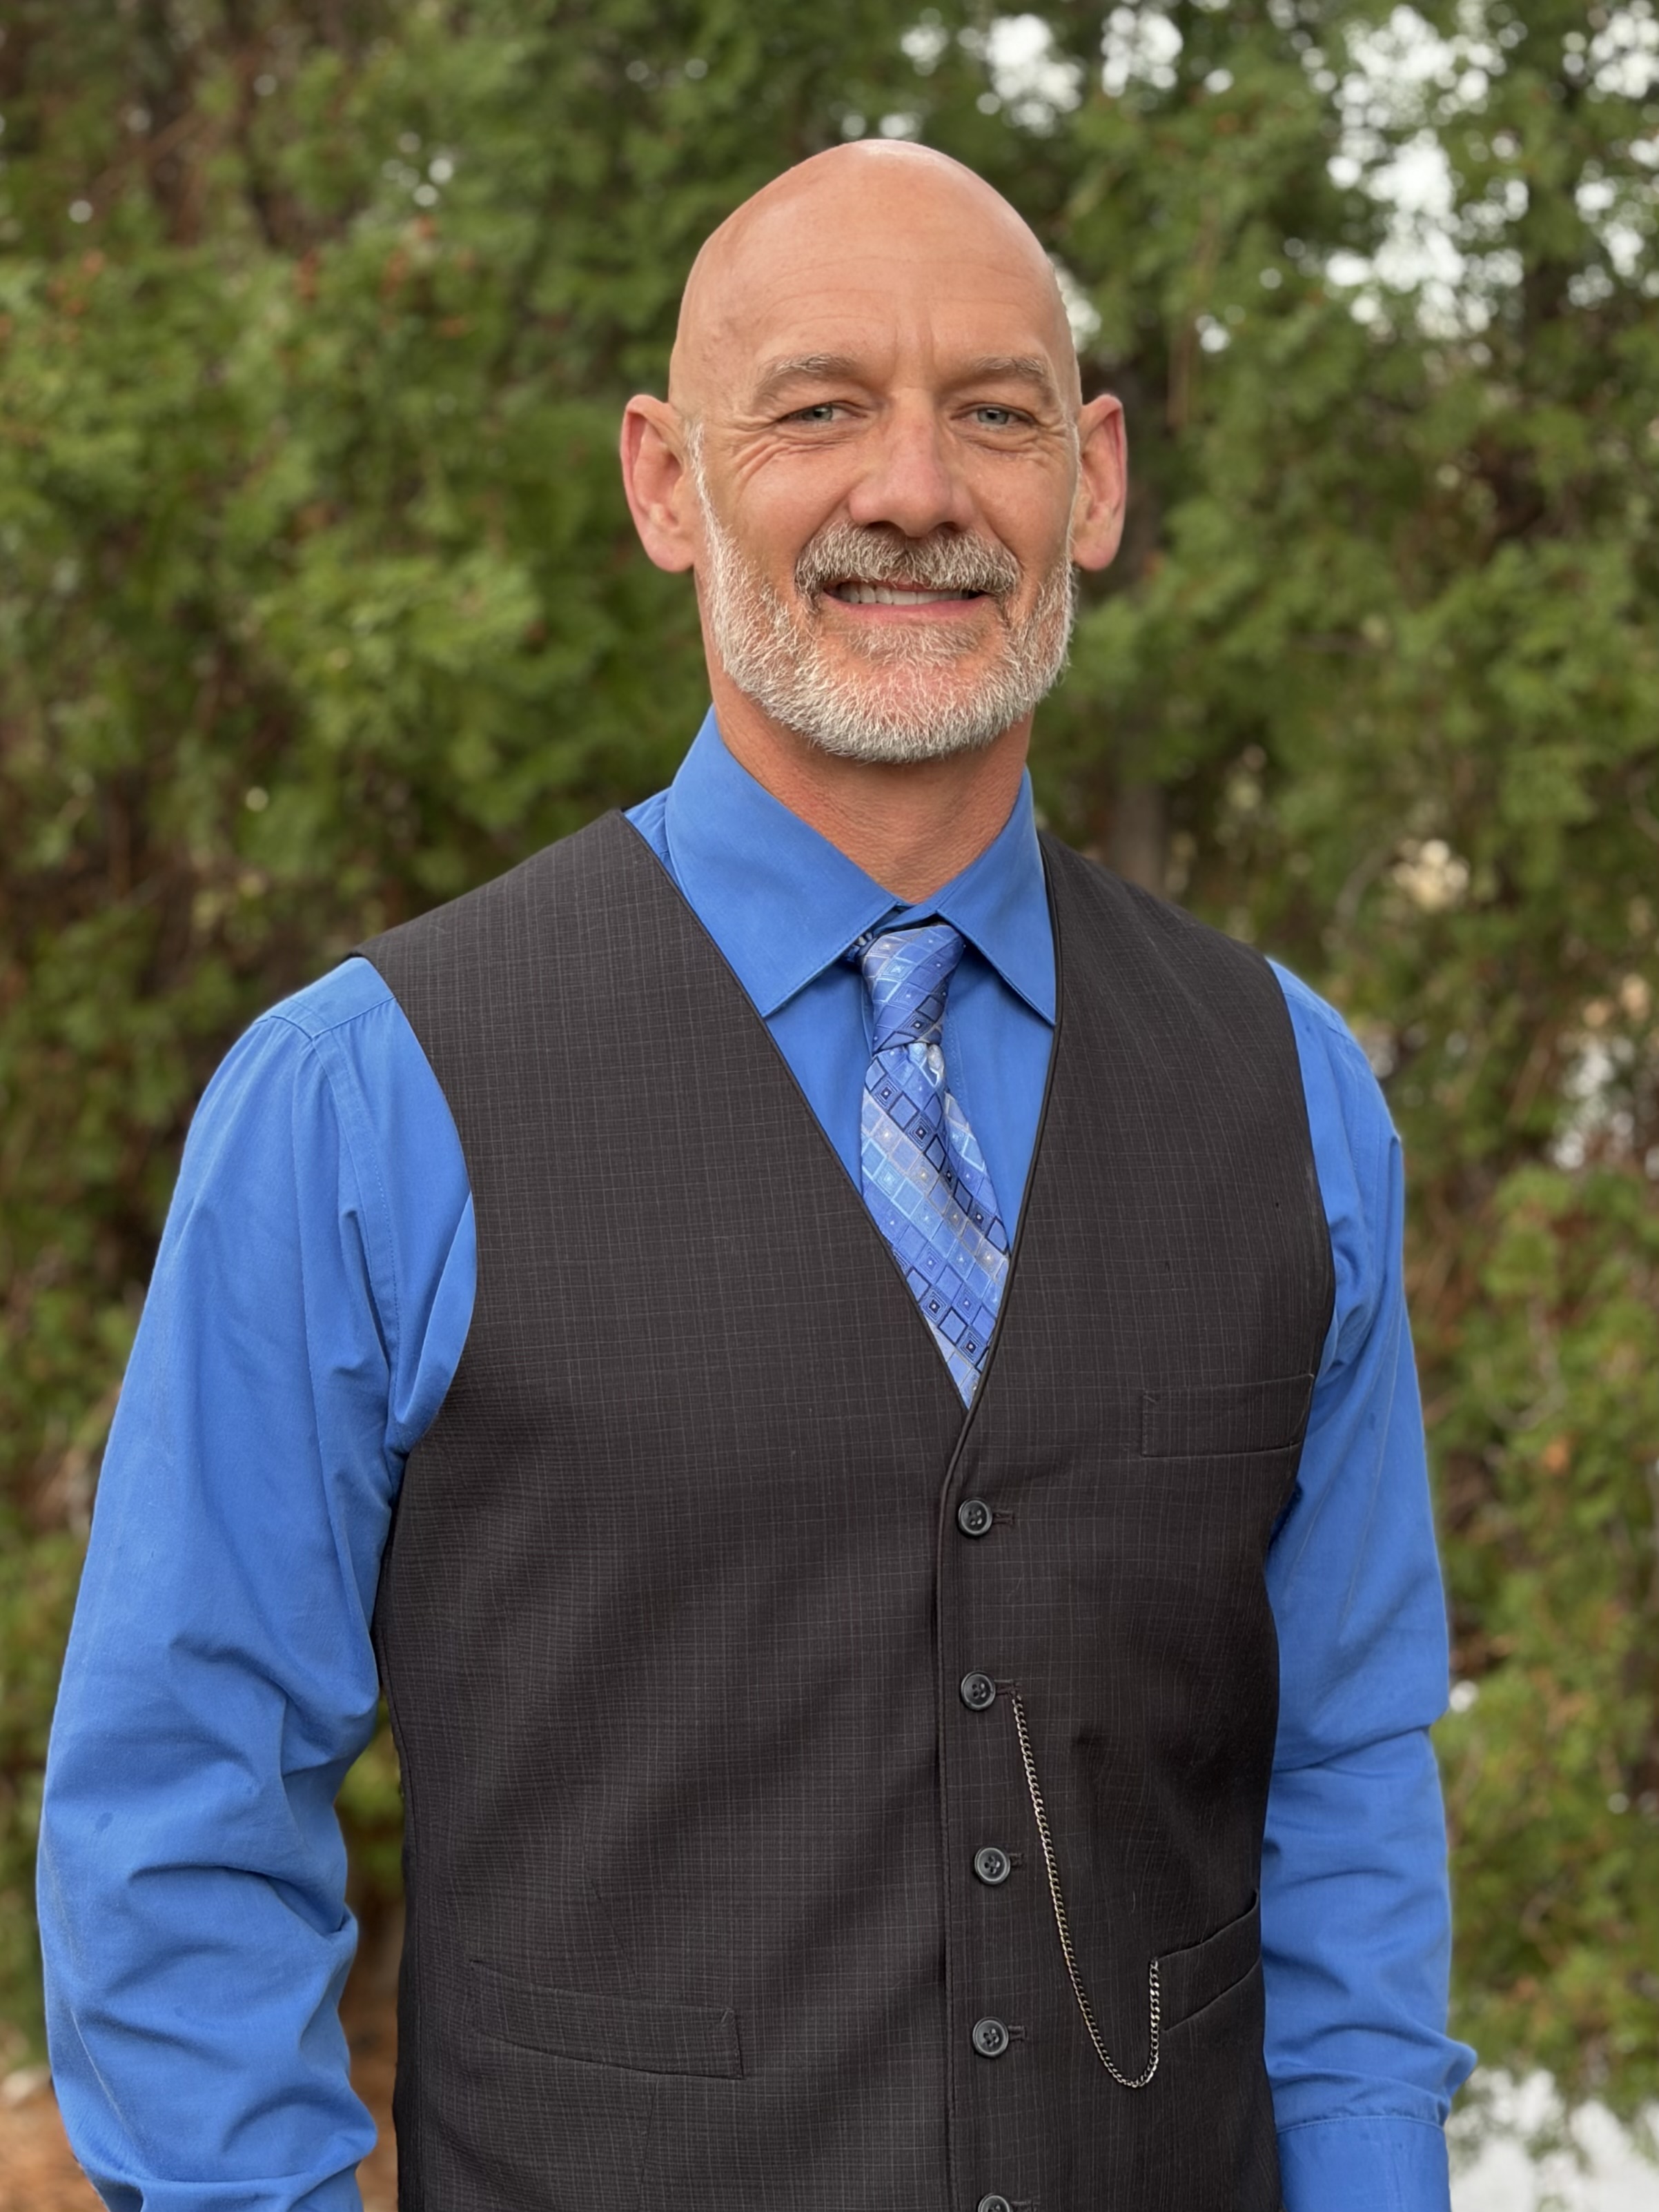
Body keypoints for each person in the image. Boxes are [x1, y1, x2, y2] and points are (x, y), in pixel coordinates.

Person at [40, 141, 1473, 2212]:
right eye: (815, 410)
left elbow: (1341, 1779)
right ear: (660, 481)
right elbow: (179, 1816)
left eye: (989, 411)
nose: (912, 489)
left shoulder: (1293, 1093)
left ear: (1093, 478)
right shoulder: (361, 1100)